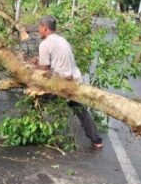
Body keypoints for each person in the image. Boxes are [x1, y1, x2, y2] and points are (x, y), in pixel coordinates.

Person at [32, 15, 104, 149]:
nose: (38, 31)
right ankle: (97, 140)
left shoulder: (45, 44)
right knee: (80, 110)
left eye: (40, 28)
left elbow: (45, 69)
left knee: (36, 98)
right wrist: (39, 60)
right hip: (75, 80)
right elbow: (58, 58)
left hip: (62, 84)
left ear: (45, 28)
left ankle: (35, 129)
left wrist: (33, 67)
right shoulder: (62, 40)